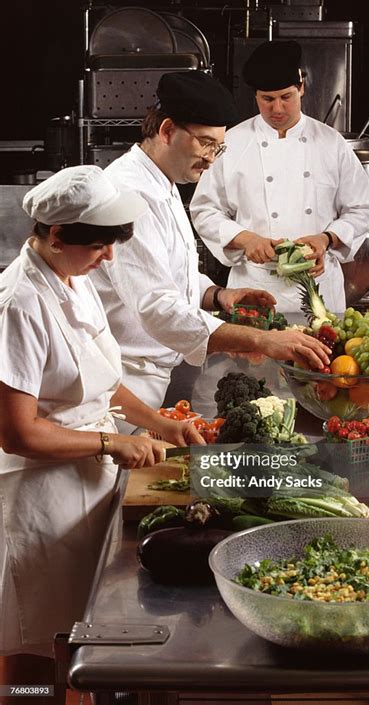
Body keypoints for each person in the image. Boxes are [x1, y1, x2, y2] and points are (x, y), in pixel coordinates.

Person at [0, 166, 204, 700]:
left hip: (87, 482)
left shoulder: (73, 278)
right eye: (98, 246)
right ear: (56, 235)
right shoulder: (18, 304)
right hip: (36, 494)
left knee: (74, 628)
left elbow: (102, 381)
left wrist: (161, 422)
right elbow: (17, 433)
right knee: (31, 635)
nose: (109, 258)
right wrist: (114, 442)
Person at [92, 71, 331, 426]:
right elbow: (158, 306)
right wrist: (262, 340)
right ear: (167, 130)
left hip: (155, 371)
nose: (211, 159)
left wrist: (219, 296)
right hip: (124, 381)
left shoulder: (162, 179)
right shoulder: (131, 193)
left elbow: (173, 274)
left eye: (218, 148)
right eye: (205, 144)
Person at [190, 40, 369, 313]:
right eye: (267, 99)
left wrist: (326, 239)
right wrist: (245, 239)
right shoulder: (231, 143)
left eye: (286, 97)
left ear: (301, 87)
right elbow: (205, 210)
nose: (277, 109)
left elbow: (363, 209)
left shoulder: (330, 143)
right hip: (254, 285)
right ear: (255, 96)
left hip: (320, 288)